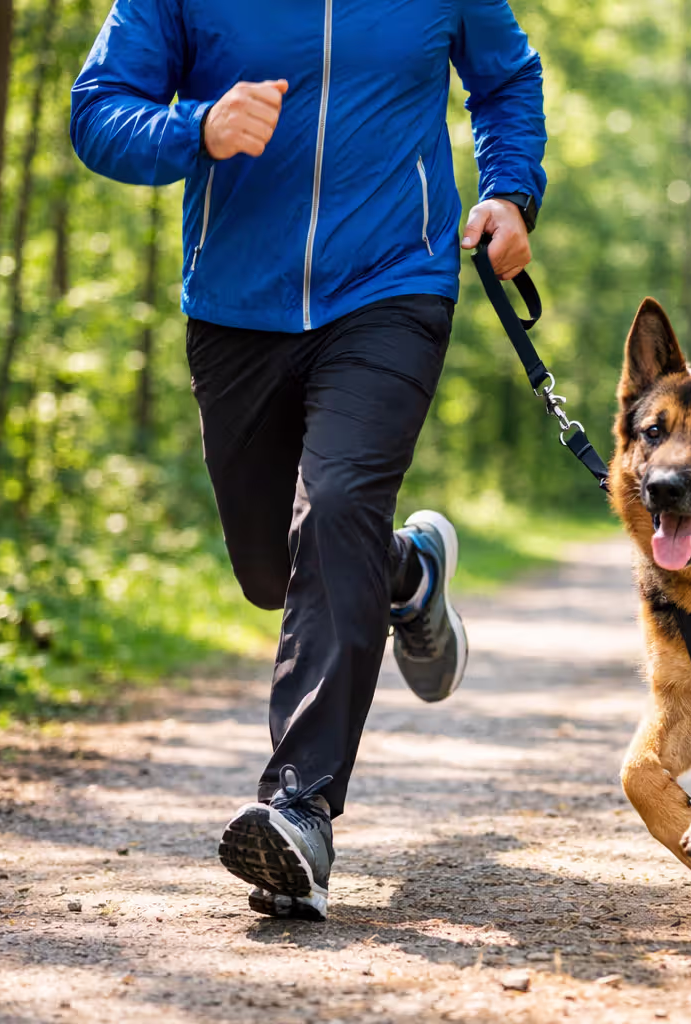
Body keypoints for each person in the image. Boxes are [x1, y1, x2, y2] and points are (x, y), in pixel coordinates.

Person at [70, 0, 545, 922]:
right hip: (235, 304)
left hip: (393, 285)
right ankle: (407, 570)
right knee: (269, 569)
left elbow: (506, 80)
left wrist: (511, 191)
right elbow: (98, 113)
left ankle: (301, 807)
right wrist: (195, 127)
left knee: (334, 504)